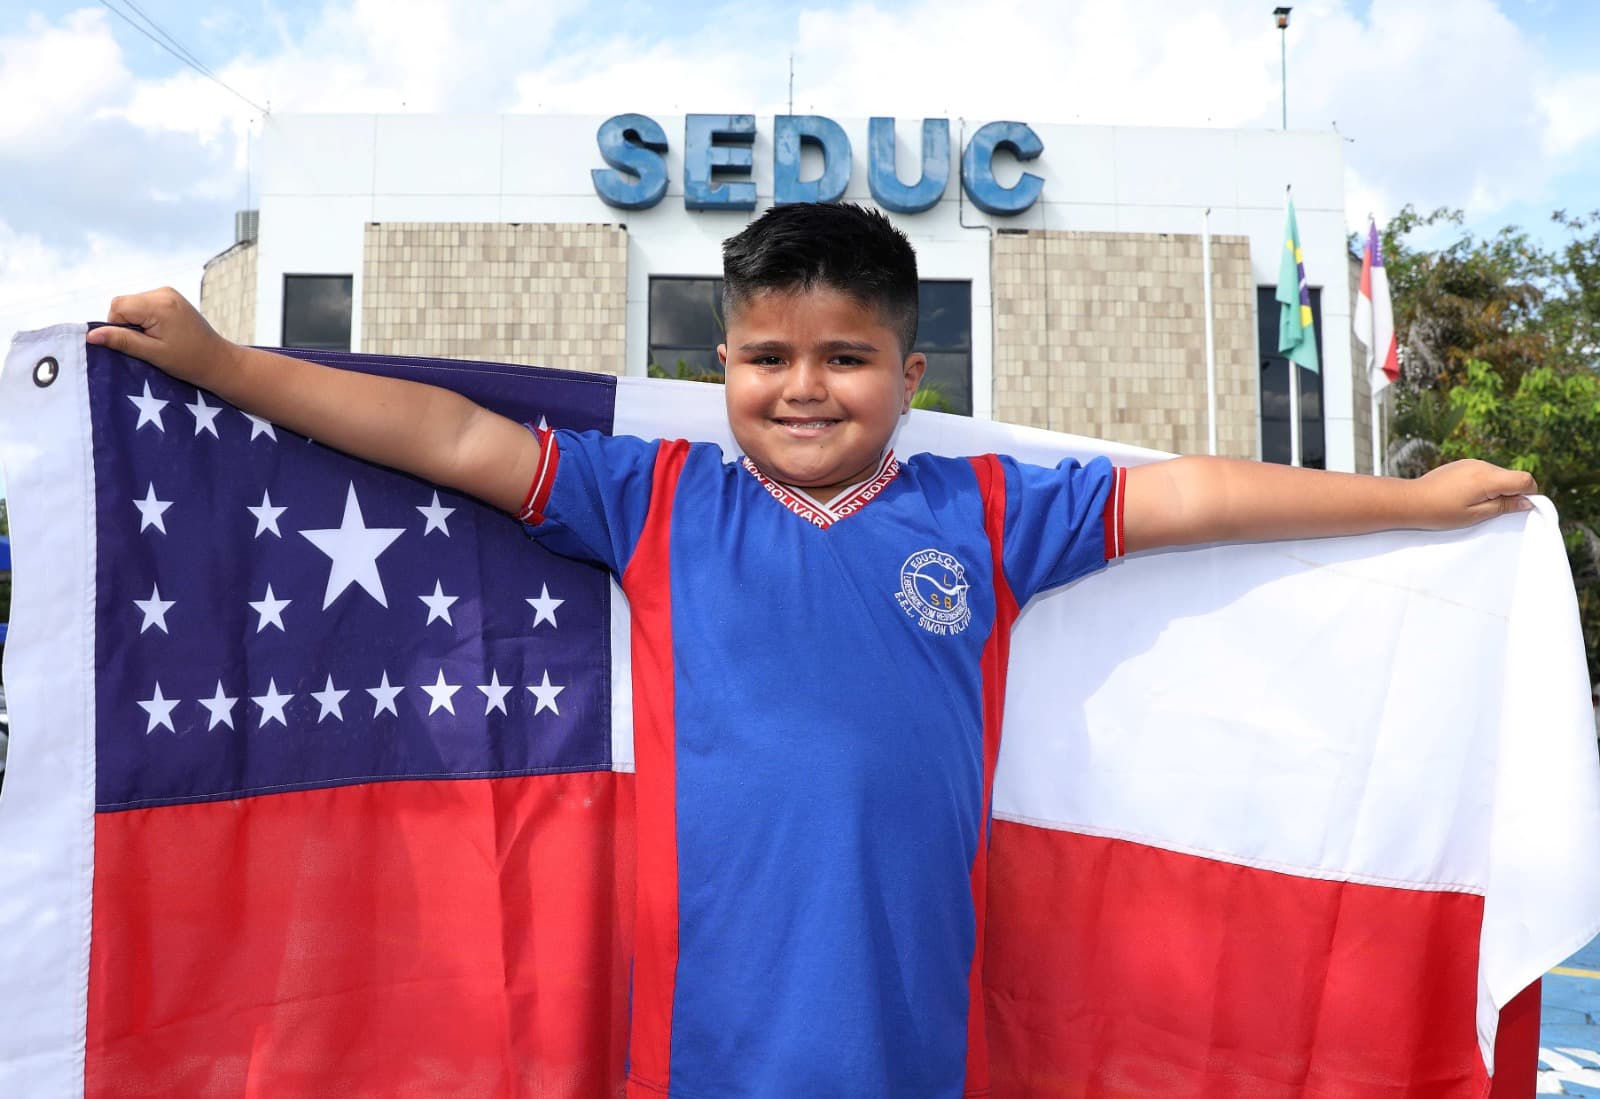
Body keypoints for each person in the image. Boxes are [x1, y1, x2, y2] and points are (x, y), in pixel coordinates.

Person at [89, 203, 1535, 1099]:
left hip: (912, 1027)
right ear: (720, 367)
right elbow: (451, 439)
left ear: (913, 375)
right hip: (704, 1029)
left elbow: (1202, 494)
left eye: (845, 358)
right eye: (767, 356)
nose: (803, 387)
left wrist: (1407, 502)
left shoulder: (988, 512)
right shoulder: (655, 500)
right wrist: (224, 366)